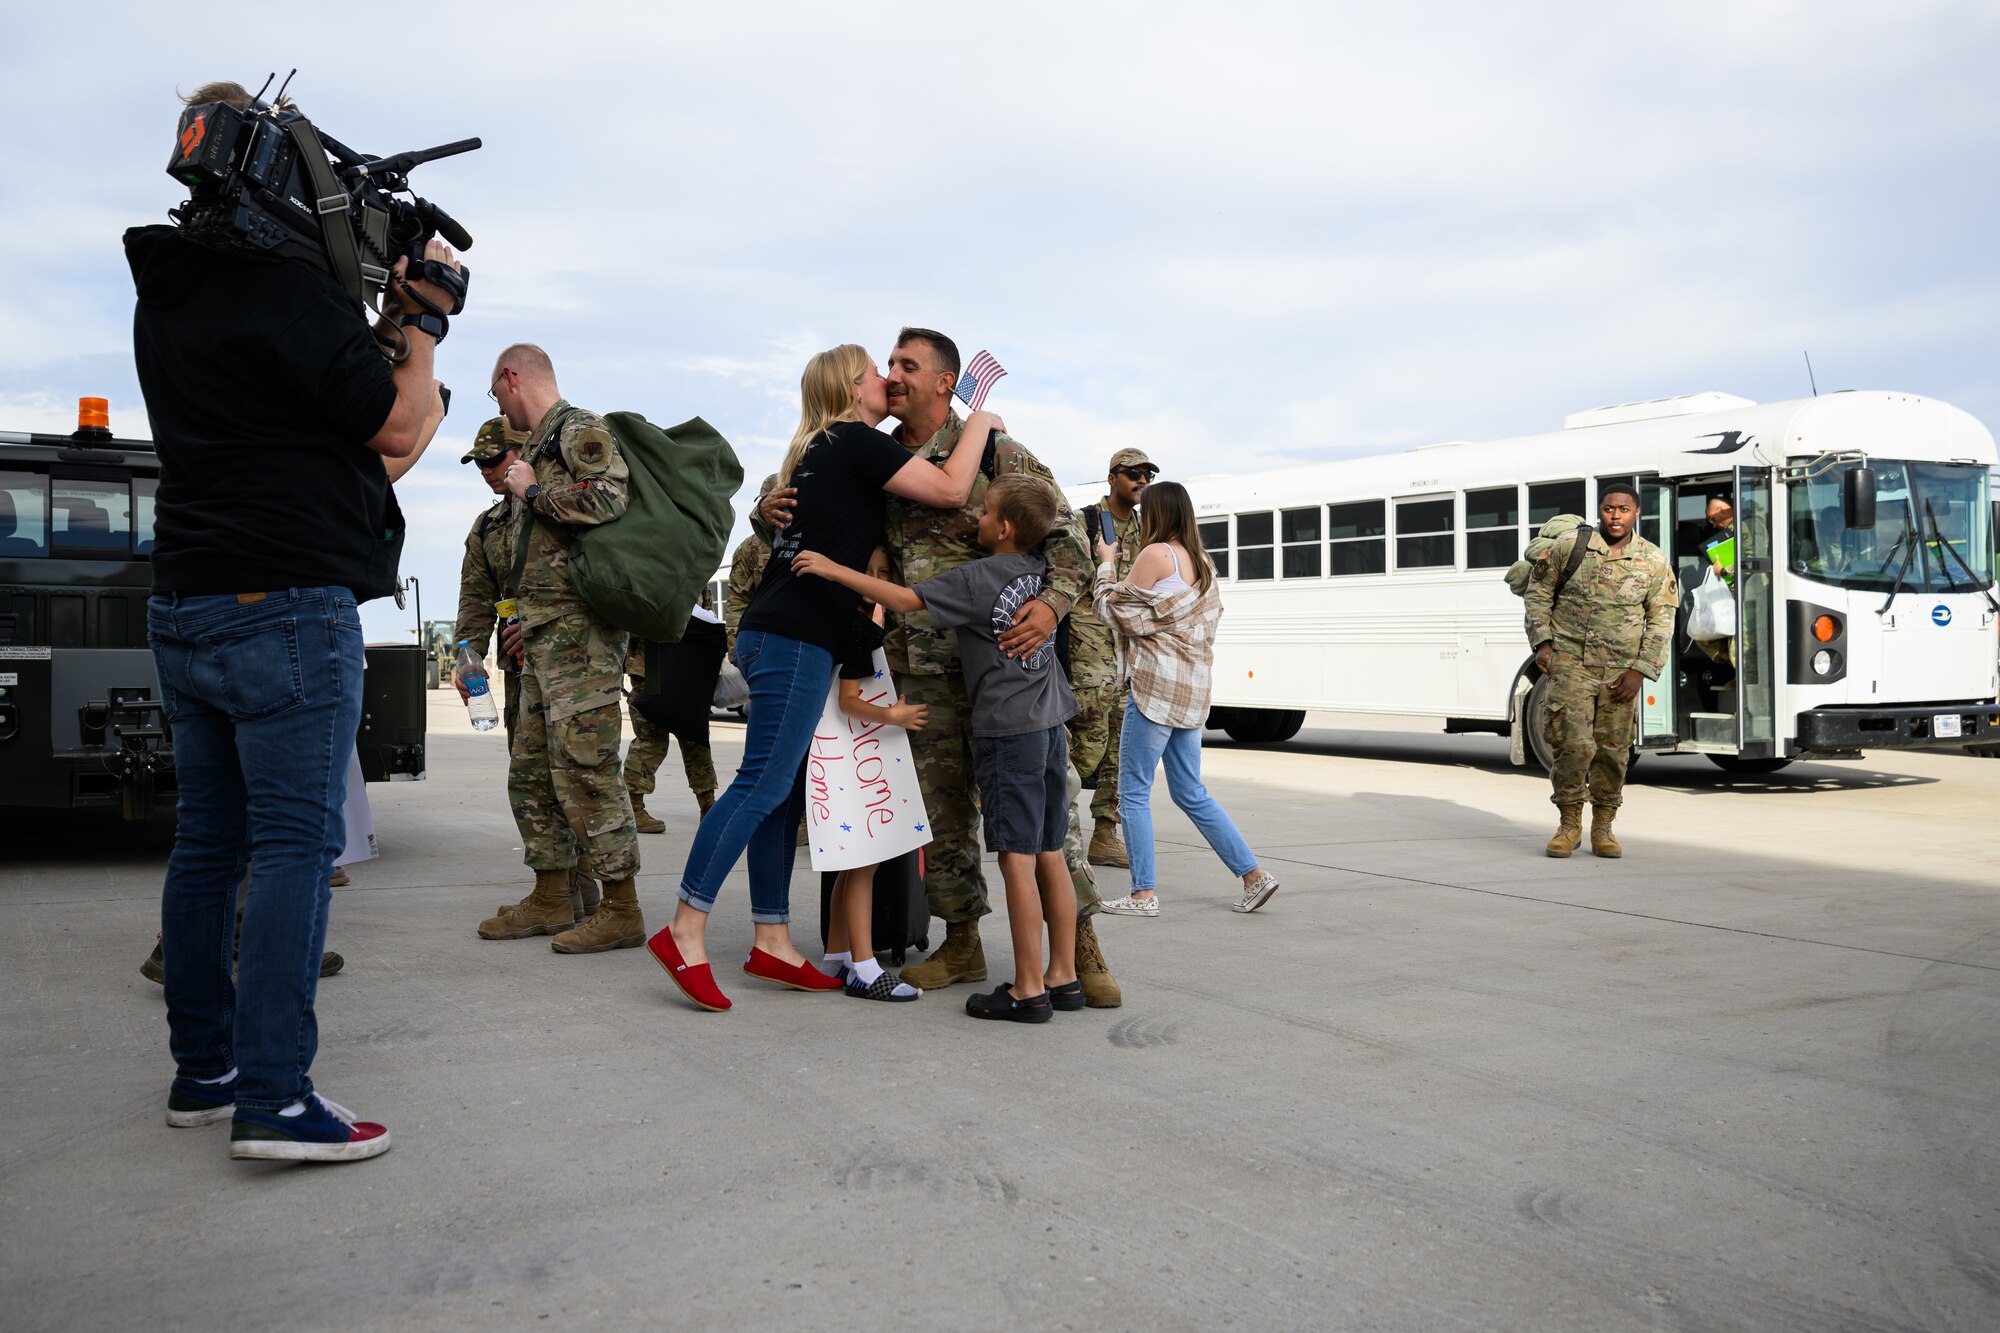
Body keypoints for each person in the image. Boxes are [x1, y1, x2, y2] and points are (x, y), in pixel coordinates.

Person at [128, 79, 460, 1162]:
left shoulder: (172, 291)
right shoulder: (285, 291)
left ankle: (206, 1071)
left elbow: (352, 428)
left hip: (187, 596)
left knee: (207, 846)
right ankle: (276, 1097)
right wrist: (420, 317)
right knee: (290, 849)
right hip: (284, 604)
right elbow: (400, 420)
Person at [764, 328, 1121, 1007]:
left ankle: (1080, 947)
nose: (893, 374)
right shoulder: (879, 456)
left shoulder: (992, 451)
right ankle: (960, 940)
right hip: (923, 665)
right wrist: (766, 511)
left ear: (942, 382)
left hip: (1010, 666)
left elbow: (1068, 535)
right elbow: (821, 522)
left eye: (908, 365)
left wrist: (1051, 605)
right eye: (888, 363)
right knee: (946, 817)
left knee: (1049, 824)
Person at [647, 344, 999, 1013]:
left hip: (781, 631)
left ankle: (773, 939)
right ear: (849, 387)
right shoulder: (852, 439)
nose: (886, 378)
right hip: (794, 636)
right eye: (874, 371)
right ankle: (685, 929)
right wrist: (982, 420)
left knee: (780, 795)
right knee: (761, 783)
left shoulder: (819, 450)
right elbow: (953, 488)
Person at [797, 474, 1083, 1022]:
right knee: (1051, 853)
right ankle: (1062, 976)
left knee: (1017, 861)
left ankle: (1027, 989)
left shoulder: (978, 577)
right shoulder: (1037, 573)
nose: (972, 519)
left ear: (1001, 527)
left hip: (1008, 732)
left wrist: (834, 569)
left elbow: (905, 599)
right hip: (1050, 724)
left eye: (982, 513)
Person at [478, 343, 643, 953]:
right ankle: (552, 897)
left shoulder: (579, 431)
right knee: (533, 774)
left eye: (495, 391)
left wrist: (530, 492)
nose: (496, 402)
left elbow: (608, 498)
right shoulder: (545, 443)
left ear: (511, 378)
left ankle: (622, 907)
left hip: (583, 640)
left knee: (587, 769)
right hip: (546, 638)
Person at [1089, 482, 1281, 917]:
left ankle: (1143, 895)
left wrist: (1105, 564)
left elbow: (1115, 612)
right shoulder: (1204, 563)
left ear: (1156, 514)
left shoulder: (1156, 554)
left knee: (1133, 793)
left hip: (1156, 691)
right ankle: (1253, 876)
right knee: (1191, 791)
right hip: (1193, 692)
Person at [455, 415, 601, 927]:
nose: (486, 471)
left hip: (573, 662)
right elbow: (475, 600)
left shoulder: (566, 509)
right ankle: (566, 895)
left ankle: (575, 893)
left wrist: (540, 618)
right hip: (521, 670)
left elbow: (603, 575)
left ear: (524, 451)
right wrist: (466, 653)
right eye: (479, 464)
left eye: (494, 460)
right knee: (533, 779)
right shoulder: (489, 527)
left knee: (577, 776)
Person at [1525, 482, 1678, 858]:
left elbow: (1662, 620)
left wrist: (1641, 671)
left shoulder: (1653, 560)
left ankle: (1604, 827)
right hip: (1571, 666)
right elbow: (1538, 593)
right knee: (1572, 746)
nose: (1615, 515)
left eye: (1623, 509)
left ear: (1636, 512)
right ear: (1600, 510)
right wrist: (1542, 643)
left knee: (1612, 752)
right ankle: (1568, 824)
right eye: (1609, 508)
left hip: (1619, 675)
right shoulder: (1569, 547)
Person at [818, 594, 929, 1002]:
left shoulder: (854, 618)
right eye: (875, 572)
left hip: (851, 755)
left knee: (854, 863)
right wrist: (894, 716)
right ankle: (863, 967)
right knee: (865, 859)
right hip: (858, 752)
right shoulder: (861, 626)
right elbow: (848, 701)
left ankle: (836, 954)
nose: (881, 583)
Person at [1066, 447, 1153, 868]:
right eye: (1134, 473)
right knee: (1089, 733)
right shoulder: (1085, 521)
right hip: (1089, 638)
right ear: (1112, 478)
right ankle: (1057, 822)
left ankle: (1105, 833)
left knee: (1124, 738)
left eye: (1147, 475)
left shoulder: (1146, 528)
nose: (1142, 481)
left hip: (1127, 644)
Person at [622, 595, 720, 833]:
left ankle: (708, 806)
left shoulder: (694, 573)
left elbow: (705, 617)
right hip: (650, 668)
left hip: (686, 665)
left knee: (695, 735)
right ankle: (632, 808)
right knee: (651, 739)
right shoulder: (644, 574)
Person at [724, 474, 779, 659]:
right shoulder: (749, 549)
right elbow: (737, 602)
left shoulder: (811, 535)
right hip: (764, 640)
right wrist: (735, 653)